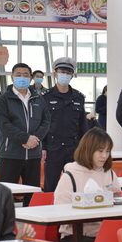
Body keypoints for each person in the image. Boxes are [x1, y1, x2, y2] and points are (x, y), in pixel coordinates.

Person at [54, 128, 122, 242]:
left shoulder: (110, 174)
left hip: (104, 234)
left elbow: (117, 212)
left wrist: (116, 199)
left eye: (107, 151)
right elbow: (60, 212)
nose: (104, 156)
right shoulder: (70, 175)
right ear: (88, 150)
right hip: (75, 236)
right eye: (100, 151)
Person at [0, 63, 51, 187]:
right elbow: (4, 125)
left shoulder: (38, 98)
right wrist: (26, 139)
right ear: (12, 77)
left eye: (26, 75)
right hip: (10, 154)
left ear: (31, 78)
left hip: (33, 155)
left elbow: (46, 121)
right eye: (18, 75)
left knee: (32, 191)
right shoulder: (4, 99)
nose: (22, 78)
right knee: (7, 192)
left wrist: (35, 139)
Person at [42, 57, 88, 192]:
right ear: (55, 74)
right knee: (51, 184)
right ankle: (50, 206)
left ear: (72, 76)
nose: (65, 75)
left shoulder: (78, 97)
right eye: (62, 72)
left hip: (73, 147)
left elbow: (83, 125)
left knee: (76, 184)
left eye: (68, 73)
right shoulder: (45, 97)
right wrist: (42, 147)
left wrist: (84, 148)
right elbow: (41, 124)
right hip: (52, 147)